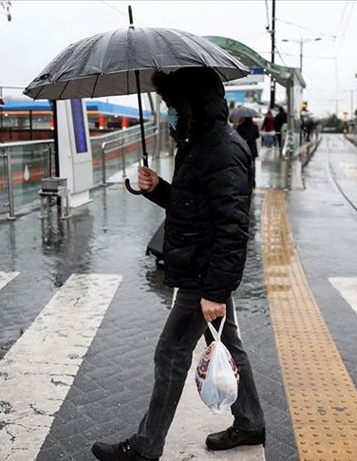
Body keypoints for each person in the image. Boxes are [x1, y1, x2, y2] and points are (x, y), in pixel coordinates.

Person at [91, 67, 265, 461]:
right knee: (229, 344)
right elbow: (193, 209)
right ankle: (251, 421)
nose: (169, 113)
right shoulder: (202, 142)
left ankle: (146, 447)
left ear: (191, 104)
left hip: (204, 274)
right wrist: (158, 190)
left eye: (172, 105)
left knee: (170, 353)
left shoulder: (221, 148)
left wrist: (216, 291)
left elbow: (232, 226)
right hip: (203, 268)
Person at [236, 115, 259, 188]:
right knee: (253, 165)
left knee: (244, 165)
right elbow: (257, 136)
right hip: (252, 149)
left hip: (243, 149)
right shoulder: (255, 126)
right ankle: (253, 181)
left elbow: (237, 136)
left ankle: (245, 181)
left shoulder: (240, 127)